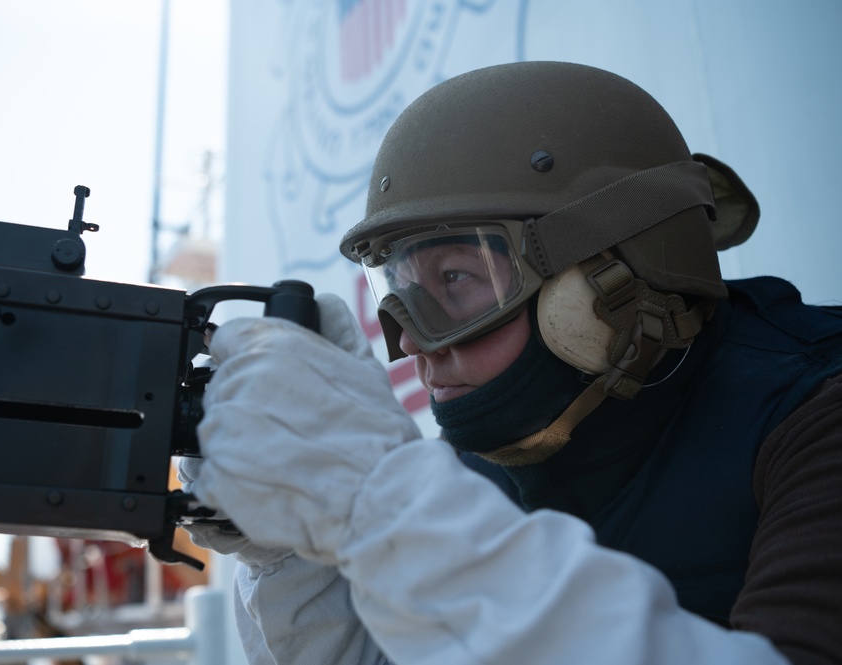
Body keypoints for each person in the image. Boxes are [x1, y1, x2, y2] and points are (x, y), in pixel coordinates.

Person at [178, 62, 842, 664]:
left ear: (615, 282)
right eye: (401, 293)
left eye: (458, 280)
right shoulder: (483, 463)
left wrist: (380, 503)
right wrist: (294, 551)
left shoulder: (813, 417)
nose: (412, 341)